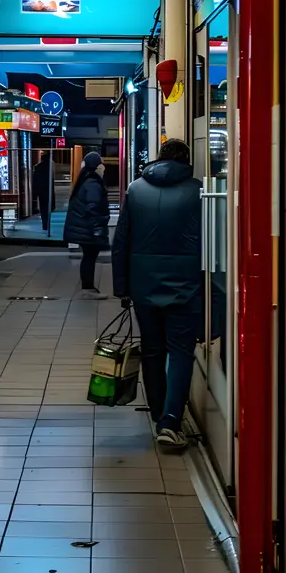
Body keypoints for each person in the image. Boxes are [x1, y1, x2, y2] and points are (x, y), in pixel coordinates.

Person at [112, 138, 202, 449]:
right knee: (180, 351)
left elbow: (121, 240)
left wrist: (121, 286)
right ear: (186, 160)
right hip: (185, 285)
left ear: (158, 159)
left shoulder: (136, 189)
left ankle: (156, 411)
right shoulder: (197, 190)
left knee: (152, 348)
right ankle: (170, 421)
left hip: (143, 284)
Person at [64, 151, 110, 299]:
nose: (103, 167)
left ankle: (88, 288)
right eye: (101, 164)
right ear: (96, 167)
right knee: (89, 258)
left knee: (88, 257)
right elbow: (93, 207)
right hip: (88, 229)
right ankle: (88, 289)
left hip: (84, 228)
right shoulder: (92, 184)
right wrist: (97, 229)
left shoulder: (85, 181)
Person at [32, 150, 56, 232]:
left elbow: (35, 180)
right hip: (48, 190)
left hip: (41, 191)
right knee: (48, 208)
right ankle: (47, 223)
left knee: (43, 209)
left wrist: (34, 192)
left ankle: (44, 224)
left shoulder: (38, 167)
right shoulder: (50, 167)